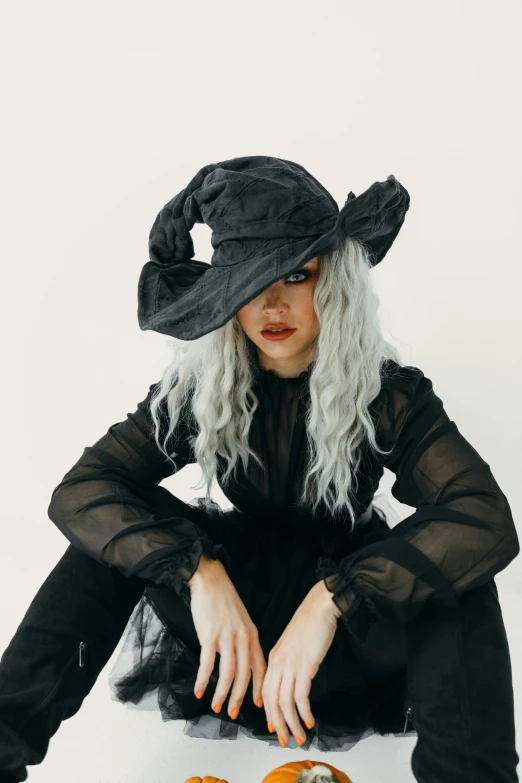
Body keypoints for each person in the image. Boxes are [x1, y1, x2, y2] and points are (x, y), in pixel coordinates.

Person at [0, 156, 519, 783]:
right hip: (231, 642)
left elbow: (486, 519)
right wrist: (199, 572)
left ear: (333, 284)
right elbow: (80, 492)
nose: (272, 303)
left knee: (455, 568)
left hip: (349, 642)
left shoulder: (388, 396)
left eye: (296, 275)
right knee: (108, 540)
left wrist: (333, 599)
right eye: (249, 282)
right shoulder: (200, 392)